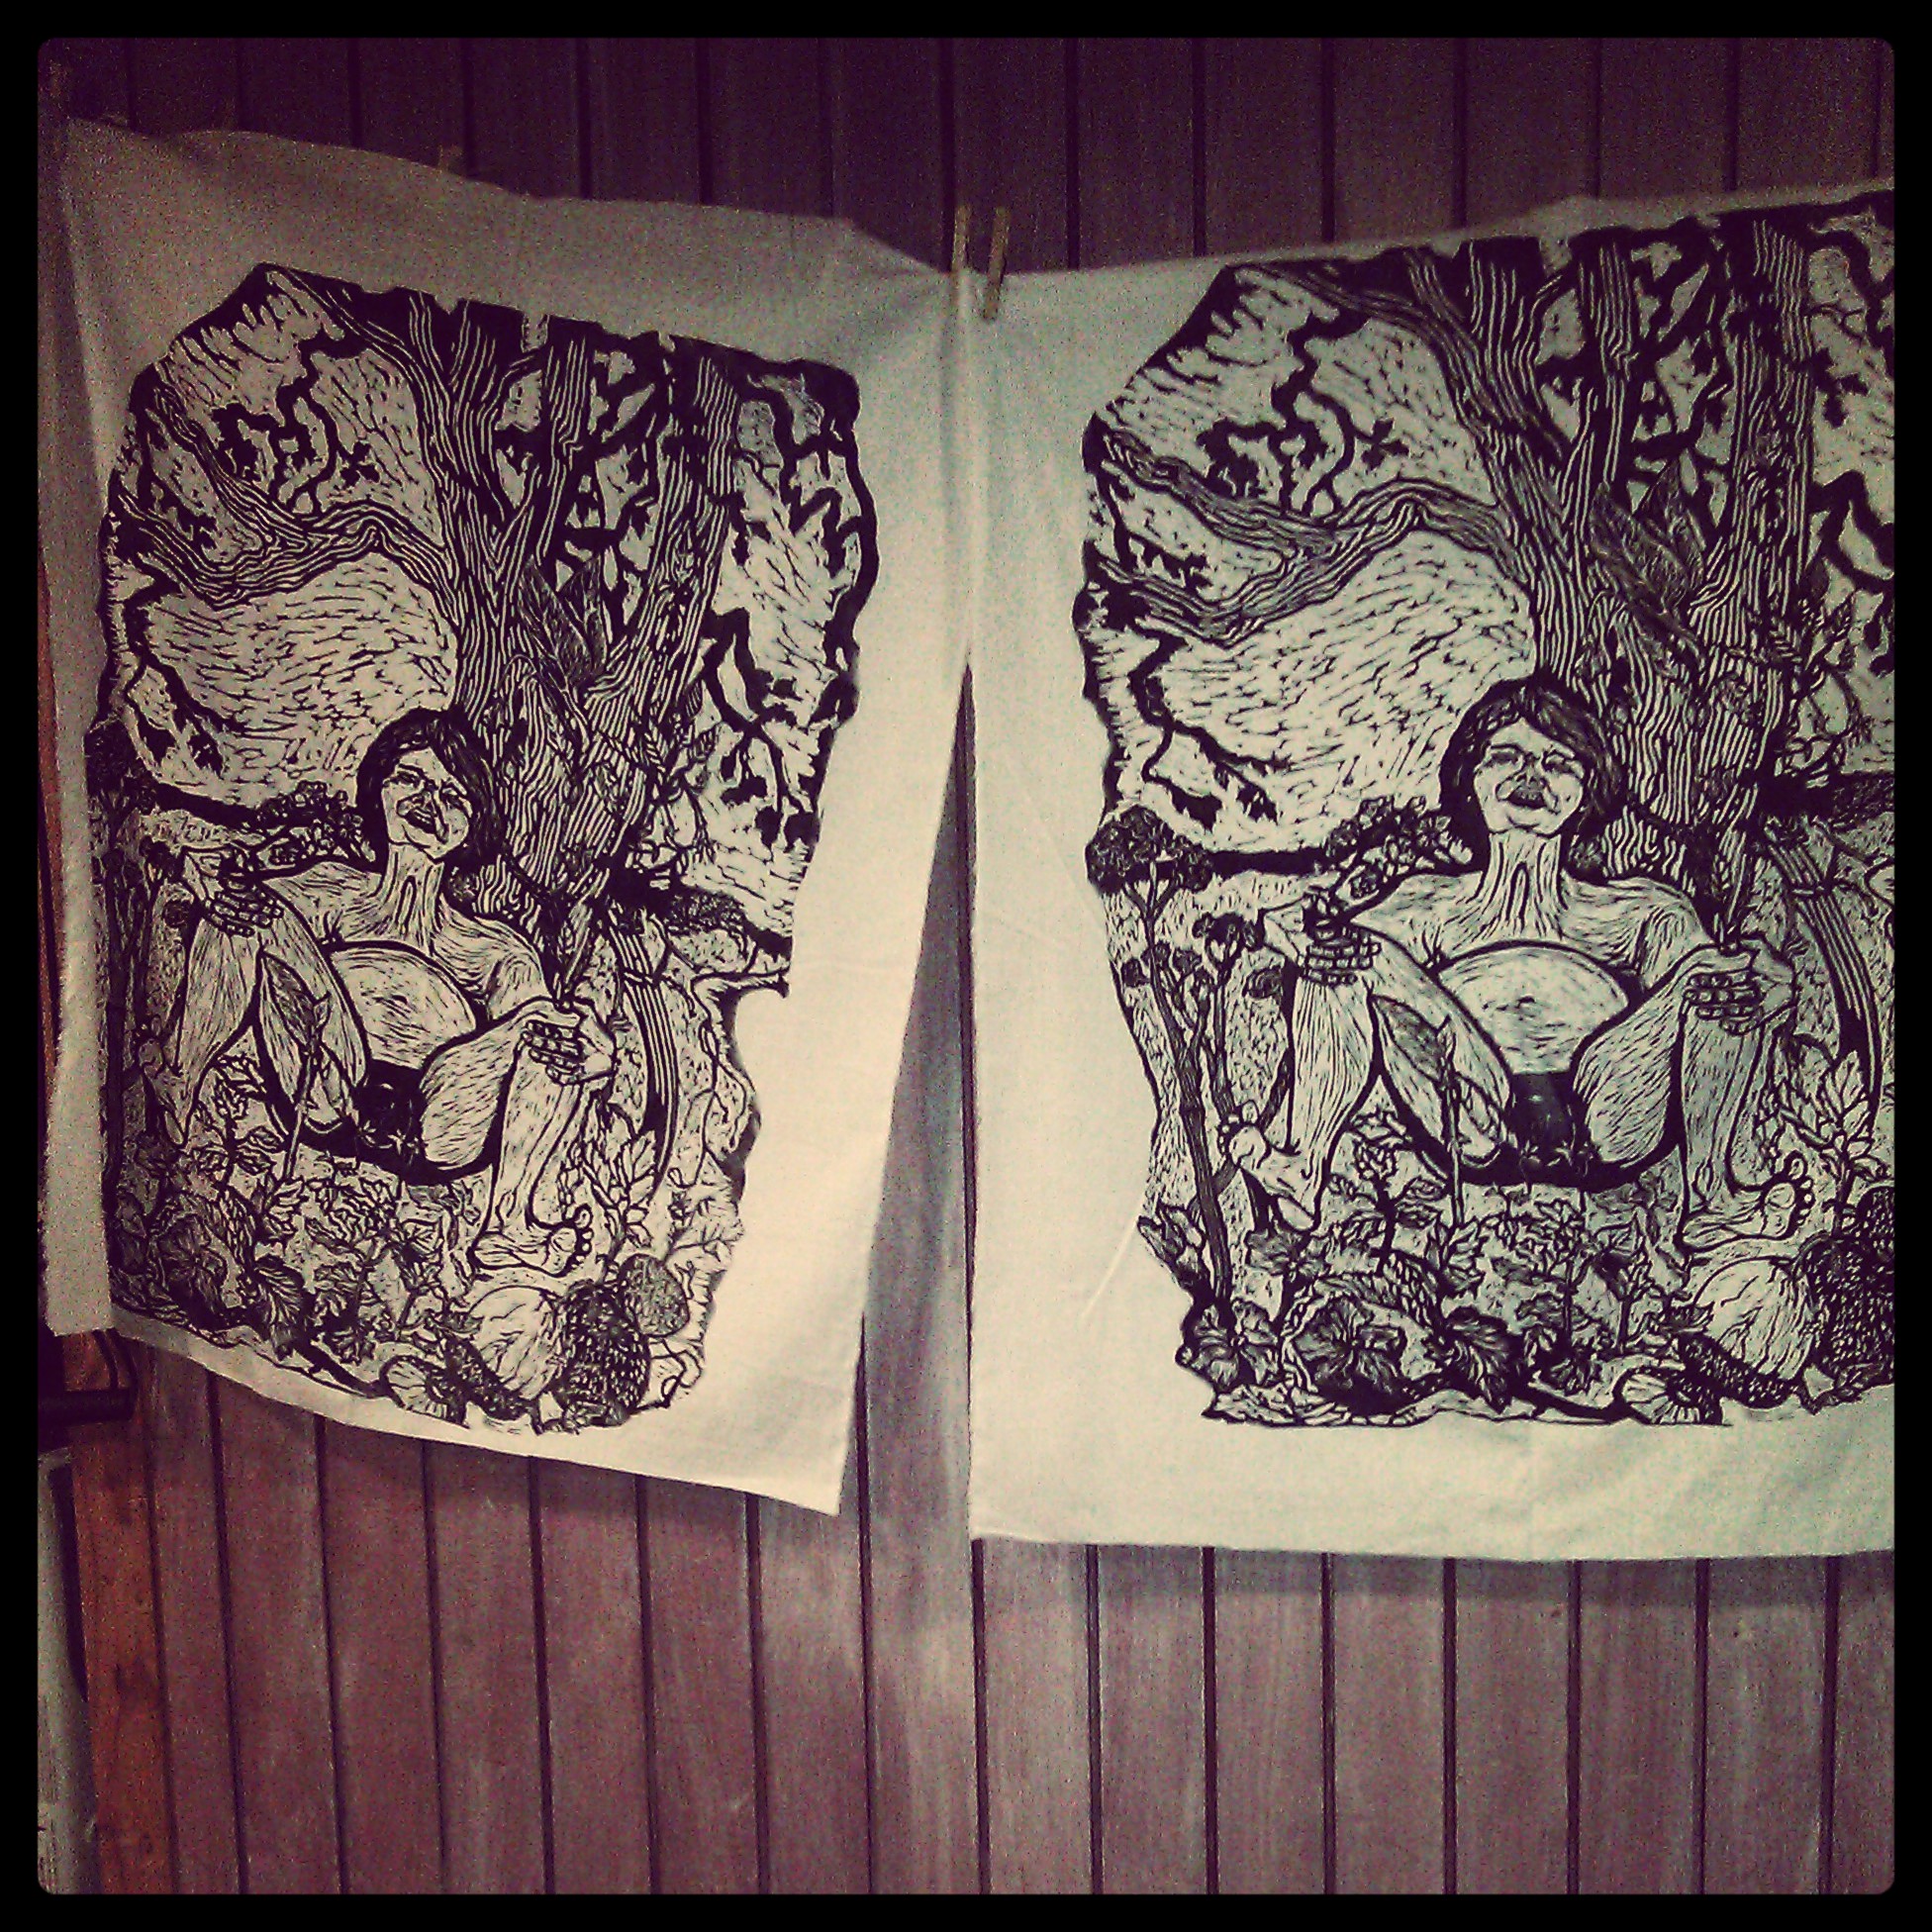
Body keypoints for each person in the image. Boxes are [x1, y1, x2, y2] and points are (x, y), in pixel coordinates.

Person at [1226, 674, 1801, 1251]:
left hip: (1612, 1107)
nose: (1531, 777)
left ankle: (1712, 1198)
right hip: (1472, 1105)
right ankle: (1303, 1164)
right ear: (1472, 778)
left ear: (1587, 789)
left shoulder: (1639, 910)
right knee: (1345, 953)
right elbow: (1316, 934)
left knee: (1714, 979)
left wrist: (1764, 987)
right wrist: (1290, 932)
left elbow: (1712, 994)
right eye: (1507, 756)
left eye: (1557, 763)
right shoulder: (1429, 903)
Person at [161, 708, 616, 1277]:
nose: (429, 801)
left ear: (474, 824)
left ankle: (509, 1228)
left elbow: (539, 1023)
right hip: (326, 1077)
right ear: (379, 786)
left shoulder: (495, 949)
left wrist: (590, 1051)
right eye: (411, 778)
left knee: (544, 1031)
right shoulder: (333, 889)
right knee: (251, 911)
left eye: (452, 795)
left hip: (442, 1120)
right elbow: (232, 898)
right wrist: (213, 890)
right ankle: (176, 1086)